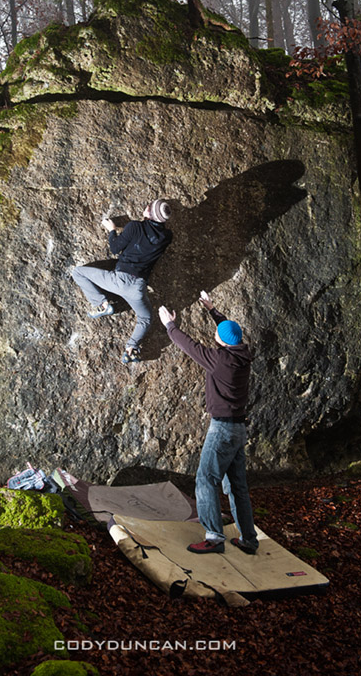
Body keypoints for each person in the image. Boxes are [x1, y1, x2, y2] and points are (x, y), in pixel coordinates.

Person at [158, 291, 258, 555]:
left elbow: (189, 346)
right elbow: (229, 331)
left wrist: (170, 325)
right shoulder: (242, 355)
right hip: (238, 428)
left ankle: (214, 537)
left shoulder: (219, 361)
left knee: (205, 480)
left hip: (223, 429)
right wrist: (213, 310)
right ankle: (248, 539)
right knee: (237, 486)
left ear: (221, 341)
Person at [72, 199, 172, 364]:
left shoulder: (135, 227)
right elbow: (146, 237)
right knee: (145, 318)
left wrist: (112, 230)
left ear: (151, 214)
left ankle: (103, 304)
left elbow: (115, 248)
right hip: (138, 288)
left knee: (78, 273)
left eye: (148, 206)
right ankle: (131, 348)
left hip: (119, 280)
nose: (145, 206)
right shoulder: (167, 236)